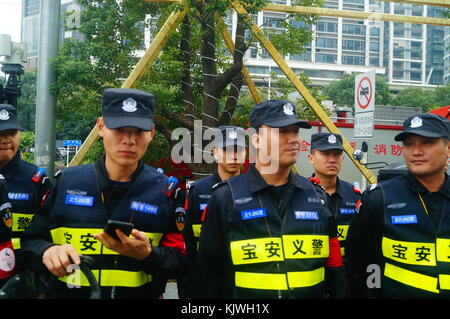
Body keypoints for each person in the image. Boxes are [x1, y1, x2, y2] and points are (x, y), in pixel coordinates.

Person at [21, 88, 186, 299]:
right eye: (119, 129)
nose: (129, 140)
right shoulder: (67, 182)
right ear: (101, 127)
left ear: (151, 133)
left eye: (138, 131)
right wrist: (47, 251)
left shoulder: (167, 192)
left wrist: (149, 254)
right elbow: (30, 242)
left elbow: (185, 263)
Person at [192, 100, 347, 299]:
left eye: (295, 132)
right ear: (256, 140)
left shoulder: (317, 197)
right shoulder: (226, 198)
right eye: (282, 132)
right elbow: (208, 279)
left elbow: (334, 270)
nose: (294, 140)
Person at [346, 113, 450, 298]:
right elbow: (360, 260)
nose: (416, 151)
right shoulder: (379, 198)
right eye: (409, 144)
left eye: (426, 142)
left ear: (448, 148)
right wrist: (374, 292)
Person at [181, 125, 247, 298]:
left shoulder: (255, 190)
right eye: (226, 150)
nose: (234, 156)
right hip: (207, 281)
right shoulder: (198, 190)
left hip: (244, 282)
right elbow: (187, 244)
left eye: (239, 150)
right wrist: (187, 290)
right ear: (214, 152)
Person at [307, 132, 362, 297]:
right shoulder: (299, 194)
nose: (332, 159)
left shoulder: (355, 195)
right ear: (311, 158)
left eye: (337, 154)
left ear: (342, 160)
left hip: (348, 280)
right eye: (325, 154)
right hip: (313, 278)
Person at [0, 104, 52, 271]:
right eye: (0, 133)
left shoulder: (36, 179)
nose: (5, 139)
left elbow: (47, 233)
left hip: (23, 275)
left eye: (11, 133)